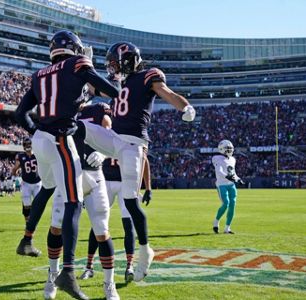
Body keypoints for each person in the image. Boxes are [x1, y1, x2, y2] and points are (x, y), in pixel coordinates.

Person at [77, 41, 196, 281]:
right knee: (75, 126)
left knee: (131, 202)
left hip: (133, 144)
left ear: (127, 59)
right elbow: (92, 87)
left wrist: (185, 107)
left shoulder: (147, 76)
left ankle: (145, 250)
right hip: (113, 139)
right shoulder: (120, 83)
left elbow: (168, 93)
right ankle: (80, 182)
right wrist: (85, 66)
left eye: (114, 63)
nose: (111, 68)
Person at [15, 30, 119, 300]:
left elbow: (20, 113)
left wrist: (38, 131)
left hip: (40, 141)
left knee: (48, 187)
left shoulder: (39, 74)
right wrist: (100, 77)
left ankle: (27, 238)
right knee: (74, 203)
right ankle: (69, 273)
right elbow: (110, 90)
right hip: (61, 140)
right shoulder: (78, 63)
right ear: (75, 48)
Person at [79, 154, 152, 283]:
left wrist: (148, 187)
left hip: (125, 183)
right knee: (98, 224)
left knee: (128, 224)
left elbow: (143, 158)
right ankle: (89, 267)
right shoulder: (106, 134)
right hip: (105, 182)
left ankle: (129, 266)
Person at [212, 140, 244, 234]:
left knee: (232, 205)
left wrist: (238, 179)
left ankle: (227, 228)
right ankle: (216, 222)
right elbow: (219, 171)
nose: (229, 150)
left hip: (231, 185)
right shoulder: (217, 158)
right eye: (227, 149)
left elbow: (233, 173)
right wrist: (228, 176)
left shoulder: (233, 159)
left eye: (230, 149)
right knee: (226, 203)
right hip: (222, 184)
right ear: (221, 149)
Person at [12, 138, 42, 222]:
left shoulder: (38, 154)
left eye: (29, 144)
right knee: (26, 204)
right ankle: (28, 223)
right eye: (26, 144)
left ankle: (33, 221)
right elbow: (15, 168)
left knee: (38, 204)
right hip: (26, 183)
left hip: (37, 183)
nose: (28, 146)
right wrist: (14, 173)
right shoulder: (21, 156)